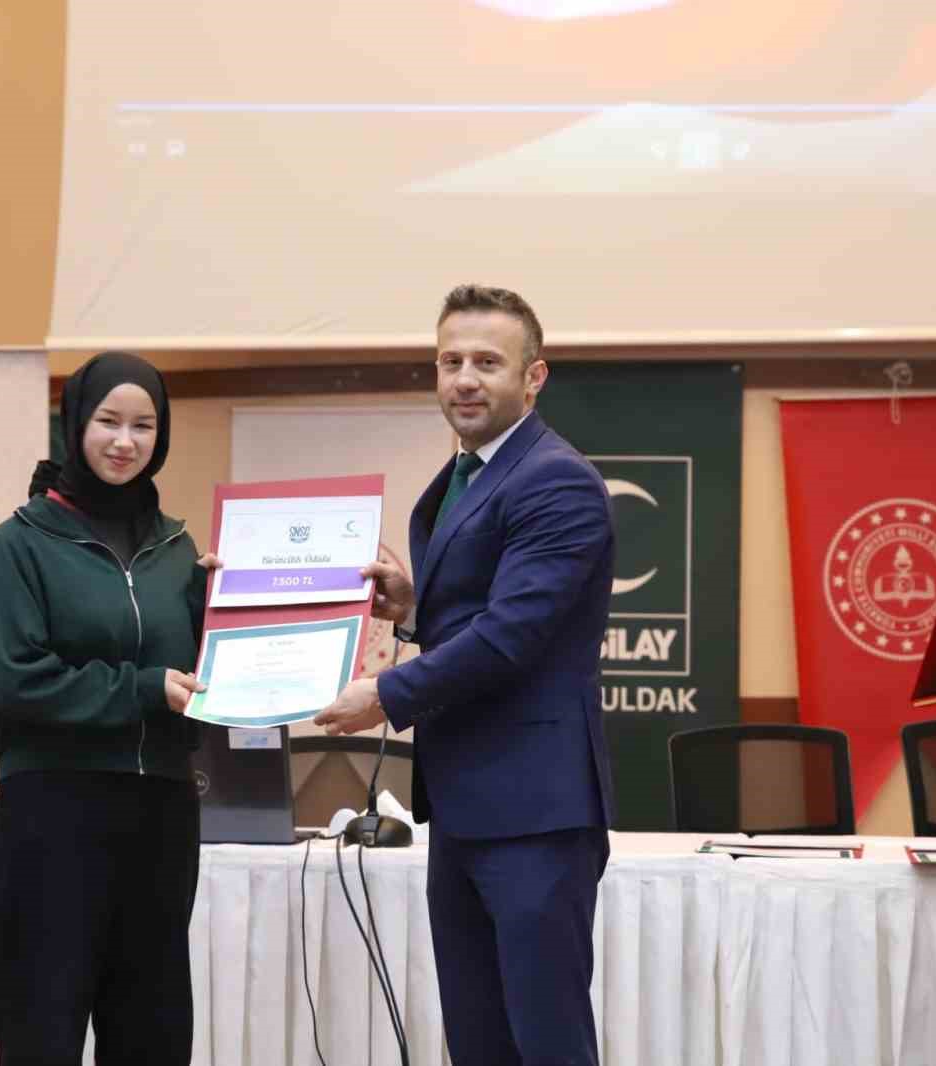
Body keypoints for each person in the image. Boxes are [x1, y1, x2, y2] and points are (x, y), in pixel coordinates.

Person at [315, 284, 616, 1065]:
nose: (465, 379)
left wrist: (385, 693)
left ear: (534, 376)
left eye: (487, 362)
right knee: (480, 1041)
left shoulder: (556, 480)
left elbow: (510, 637)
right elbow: (486, 613)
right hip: (466, 806)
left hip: (536, 813)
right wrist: (412, 607)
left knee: (544, 1040)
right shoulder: (466, 476)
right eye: (450, 361)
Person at [0, 351, 210, 1066]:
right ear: (76, 423)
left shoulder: (180, 549)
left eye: (144, 426)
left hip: (161, 813)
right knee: (43, 1022)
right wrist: (142, 688)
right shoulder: (23, 540)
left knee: (153, 1028)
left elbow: (207, 671)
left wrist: (240, 612)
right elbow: (18, 681)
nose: (124, 441)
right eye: (108, 421)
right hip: (54, 812)